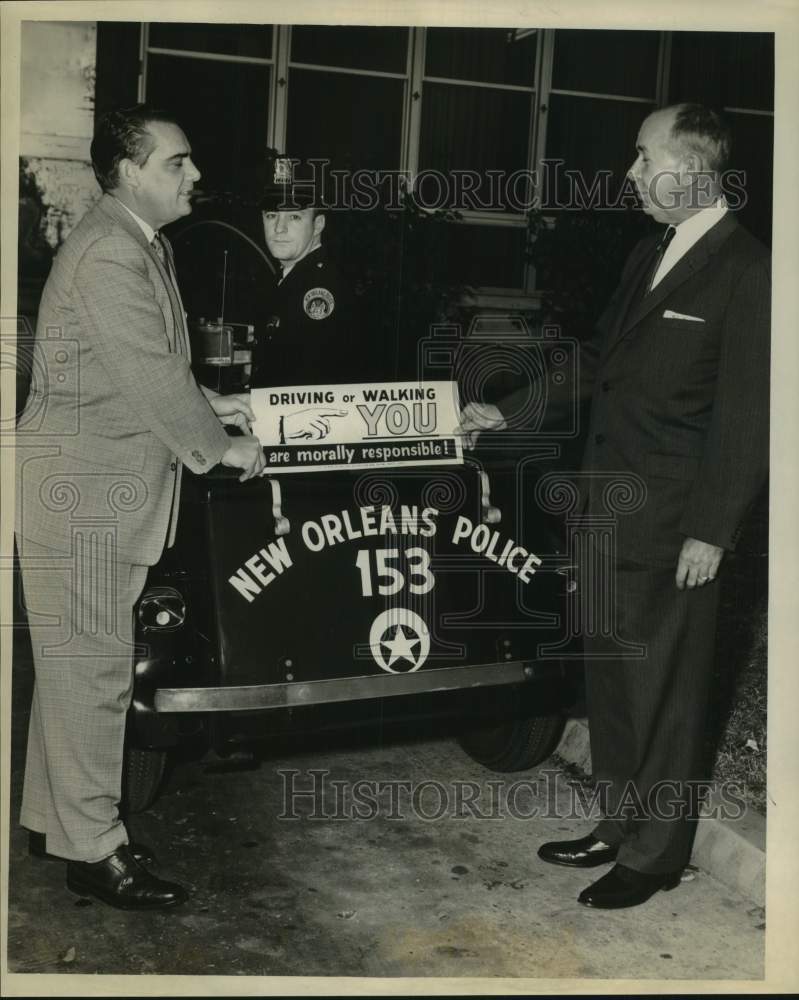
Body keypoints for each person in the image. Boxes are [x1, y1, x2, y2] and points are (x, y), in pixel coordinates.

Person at [457, 103, 770, 908]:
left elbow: (747, 414)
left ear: (691, 169)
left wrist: (712, 529)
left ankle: (655, 855)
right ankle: (617, 823)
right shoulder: (649, 253)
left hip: (672, 527)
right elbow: (597, 362)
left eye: (641, 158)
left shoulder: (750, 271)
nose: (629, 175)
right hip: (604, 510)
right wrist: (510, 409)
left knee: (663, 690)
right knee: (611, 679)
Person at [14, 104, 266, 910]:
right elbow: (147, 376)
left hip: (90, 485)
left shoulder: (134, 242)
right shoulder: (110, 256)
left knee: (74, 670)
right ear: (128, 172)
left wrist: (212, 401)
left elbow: (149, 364)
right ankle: (96, 851)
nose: (193, 175)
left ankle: (55, 822)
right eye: (177, 162)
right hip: (85, 495)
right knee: (92, 677)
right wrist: (220, 443)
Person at [250, 154, 373, 388]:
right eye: (271, 215)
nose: (279, 228)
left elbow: (304, 382)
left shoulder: (322, 288)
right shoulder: (286, 276)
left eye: (294, 217)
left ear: (318, 225)